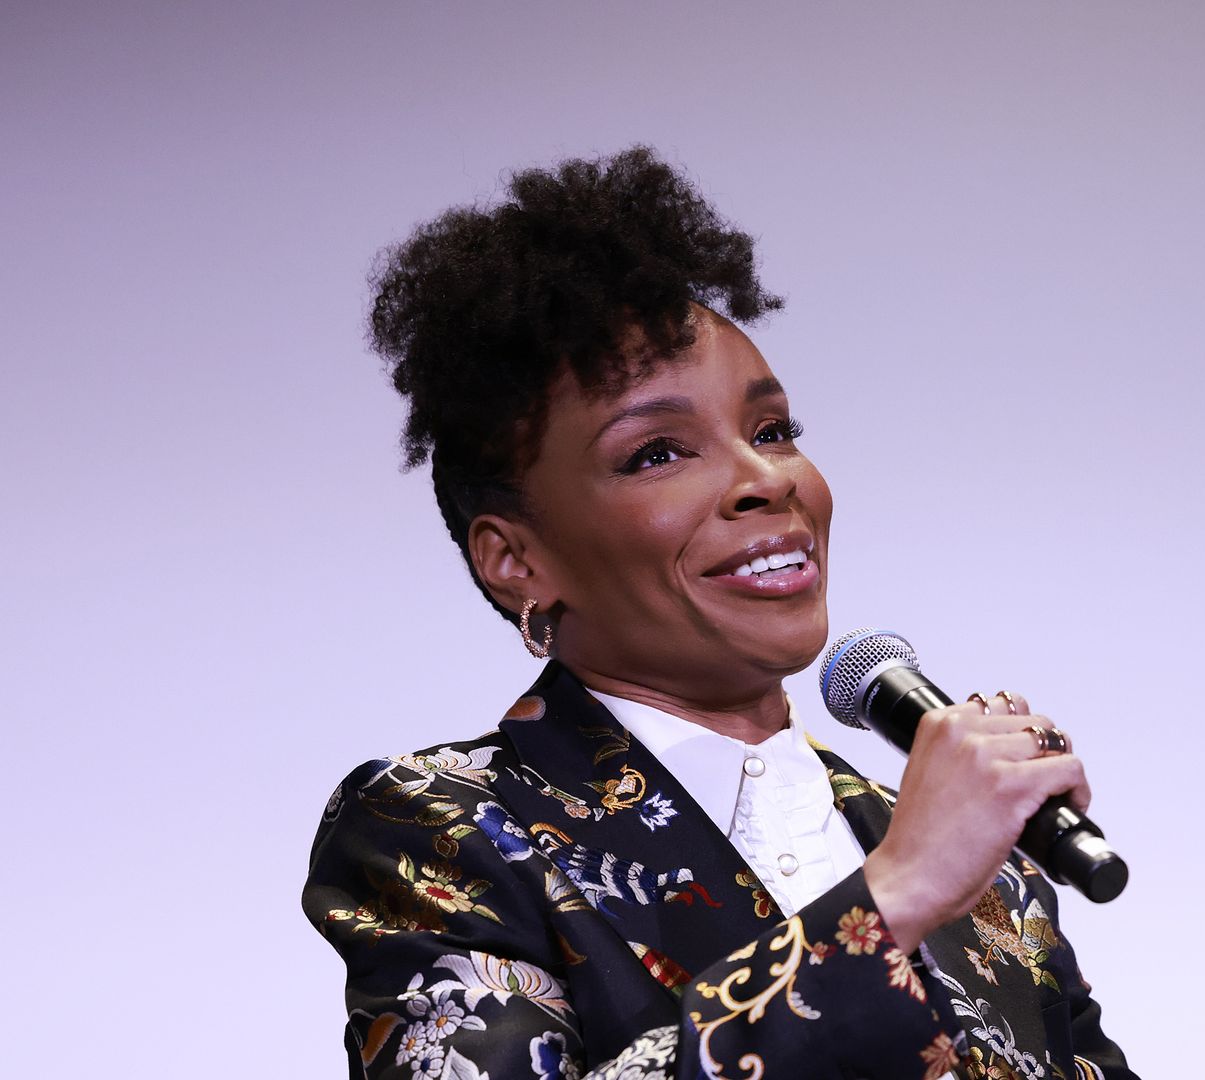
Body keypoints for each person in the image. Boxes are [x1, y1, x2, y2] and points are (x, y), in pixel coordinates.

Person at [302, 146, 1137, 1080]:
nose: (764, 478)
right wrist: (893, 895)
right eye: (659, 452)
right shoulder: (447, 825)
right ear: (516, 559)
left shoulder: (982, 866)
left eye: (774, 431)